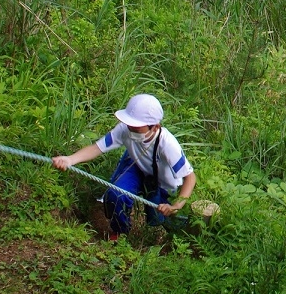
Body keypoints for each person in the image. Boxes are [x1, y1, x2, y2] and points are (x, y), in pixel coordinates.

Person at [52, 93, 195, 236]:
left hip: (161, 182)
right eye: (130, 124)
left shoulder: (167, 144)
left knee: (159, 217)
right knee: (116, 194)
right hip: (136, 165)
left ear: (155, 127)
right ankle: (119, 233)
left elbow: (190, 178)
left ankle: (176, 233)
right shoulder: (124, 129)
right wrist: (70, 160)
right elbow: (97, 148)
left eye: (137, 127)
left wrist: (176, 206)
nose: (131, 129)